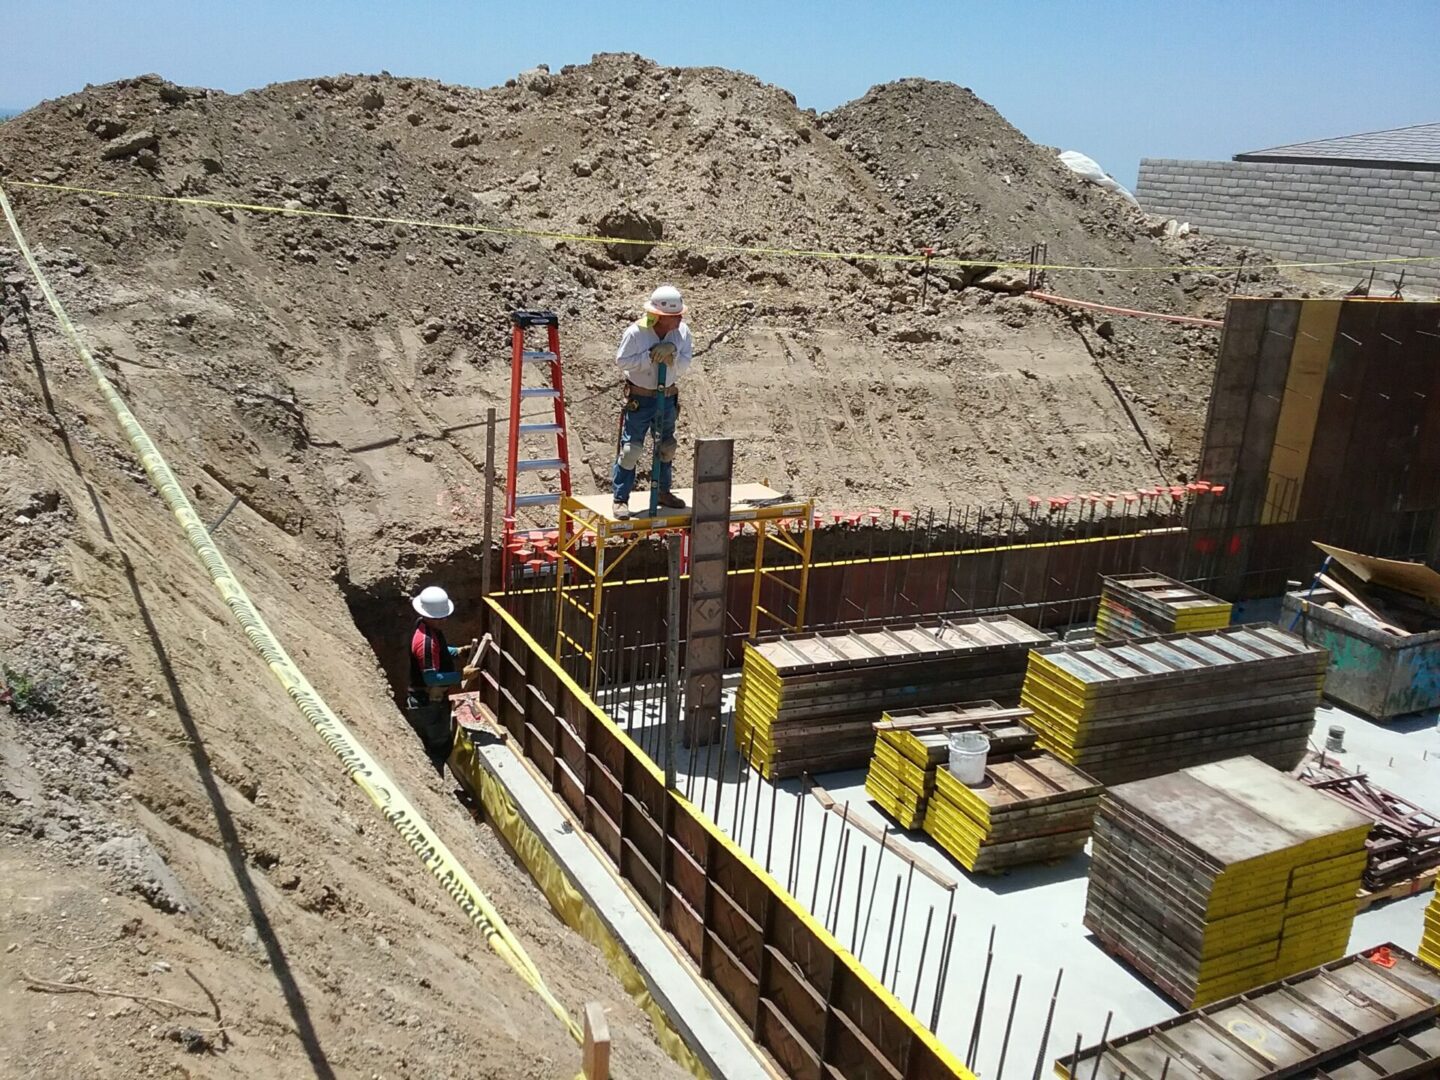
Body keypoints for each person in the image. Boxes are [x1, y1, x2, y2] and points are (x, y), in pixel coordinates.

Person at [612, 284, 693, 520]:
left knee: (666, 446)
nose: (678, 319)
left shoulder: (683, 333)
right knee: (631, 450)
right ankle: (620, 499)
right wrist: (650, 357)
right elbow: (623, 361)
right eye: (673, 316)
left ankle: (663, 491)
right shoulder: (636, 333)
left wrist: (672, 355)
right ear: (658, 316)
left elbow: (685, 364)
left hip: (666, 397)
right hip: (641, 397)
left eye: (679, 315)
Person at [404, 585, 473, 771]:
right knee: (439, 744)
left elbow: (439, 651)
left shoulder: (425, 626)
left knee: (440, 740)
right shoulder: (424, 643)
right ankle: (438, 780)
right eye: (440, 617)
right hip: (428, 705)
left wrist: (457, 652)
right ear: (430, 616)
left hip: (429, 701)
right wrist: (460, 675)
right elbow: (432, 678)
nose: (445, 619)